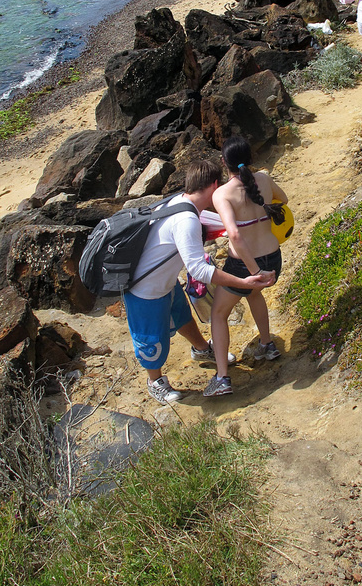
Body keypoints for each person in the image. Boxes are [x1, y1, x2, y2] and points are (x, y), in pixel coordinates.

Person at [124, 159, 275, 405]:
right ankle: (155, 382)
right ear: (214, 185)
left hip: (165, 281)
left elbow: (207, 221)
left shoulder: (182, 203)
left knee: (182, 316)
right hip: (145, 291)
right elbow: (198, 269)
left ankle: (202, 349)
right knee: (151, 340)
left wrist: (234, 227)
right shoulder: (186, 220)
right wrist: (243, 281)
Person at [204, 136, 289, 398]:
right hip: (274, 256)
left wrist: (253, 272)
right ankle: (267, 344)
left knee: (218, 314)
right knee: (255, 294)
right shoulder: (263, 178)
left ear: (223, 163)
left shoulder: (222, 194)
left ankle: (222, 378)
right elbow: (283, 200)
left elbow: (235, 236)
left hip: (245, 265)